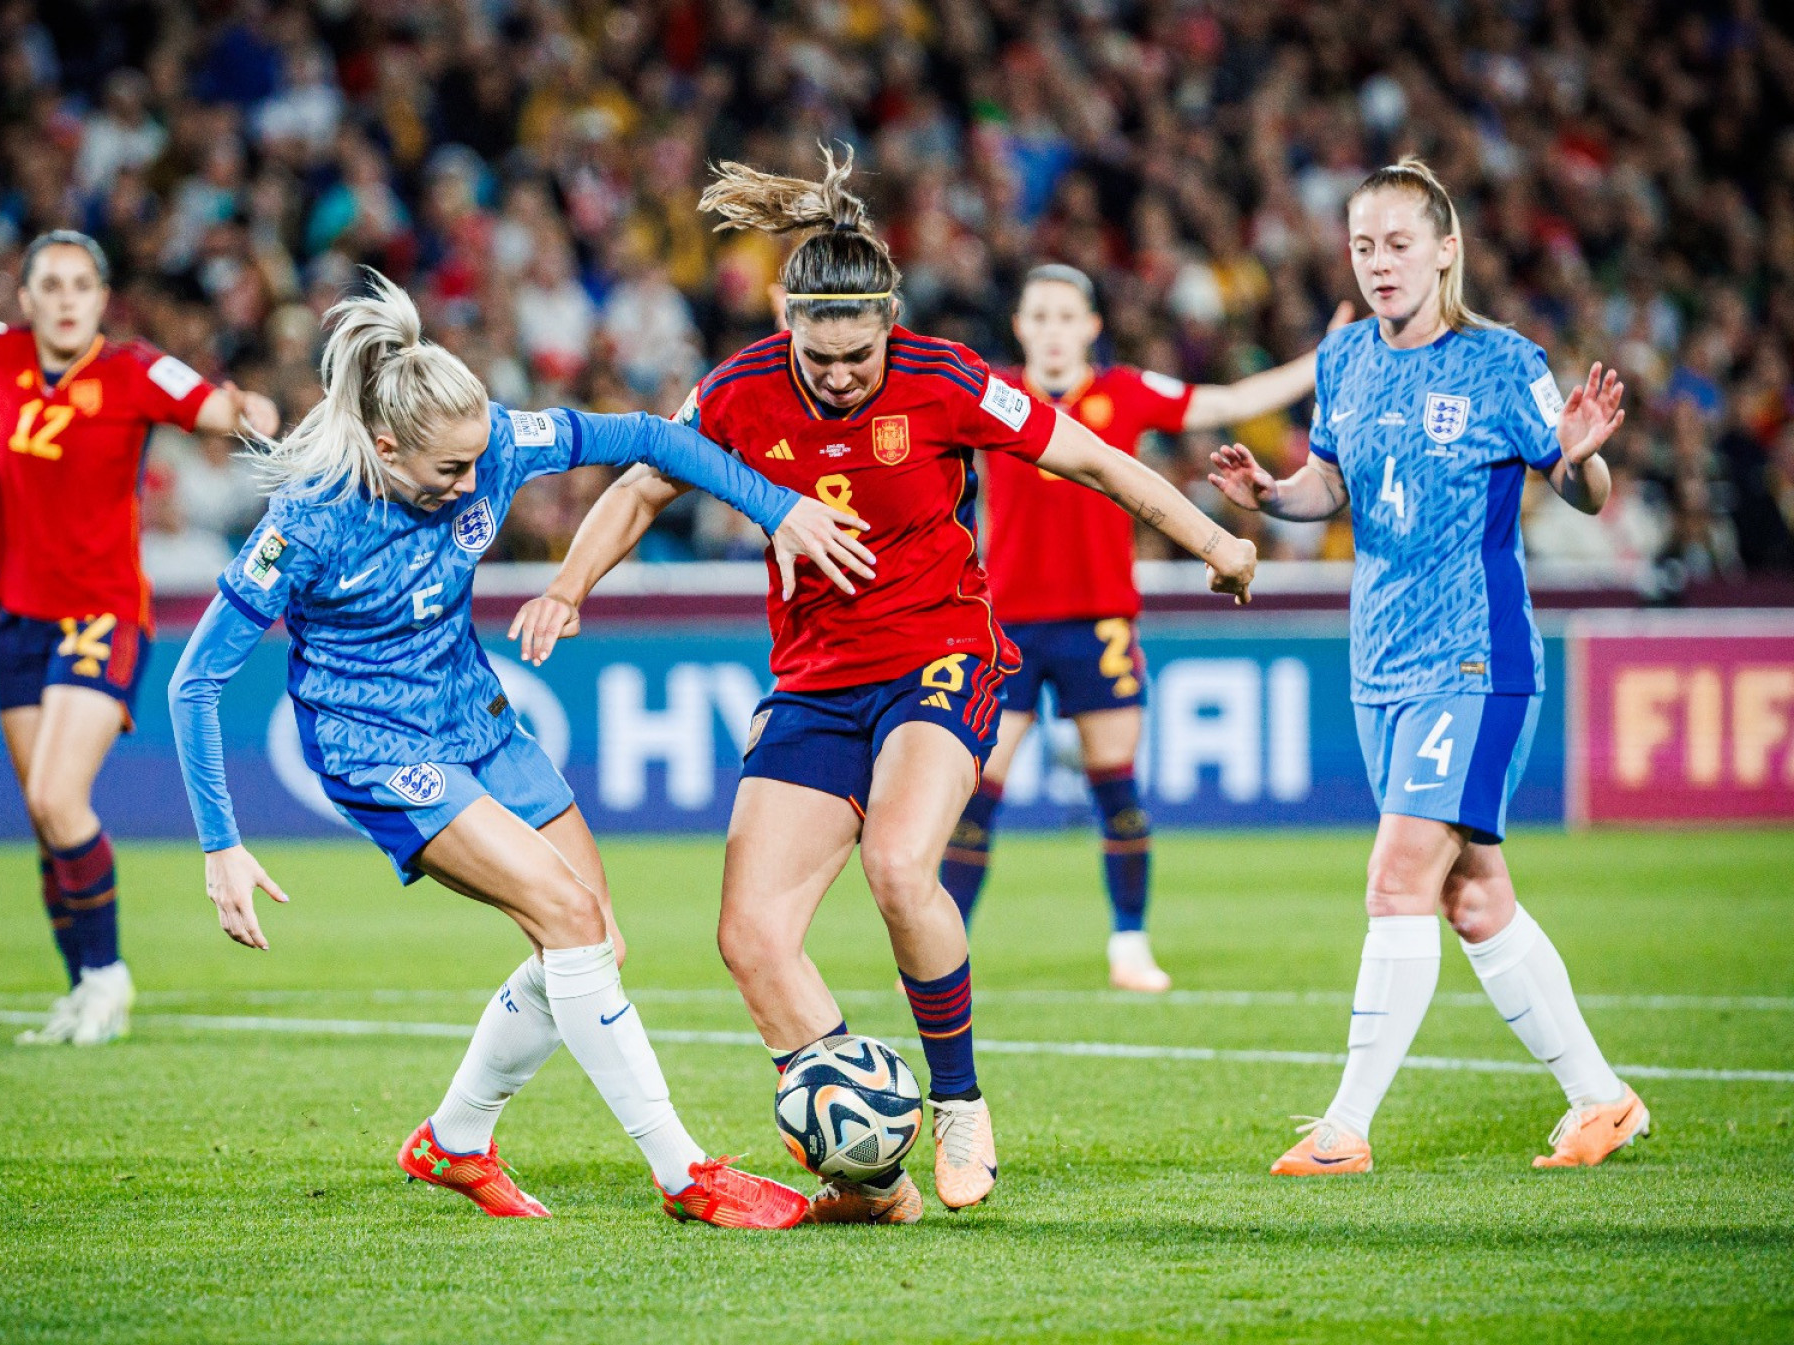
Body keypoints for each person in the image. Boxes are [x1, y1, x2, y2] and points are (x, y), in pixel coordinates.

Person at [511, 147, 1257, 1224]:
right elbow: (639, 486)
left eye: (858, 355)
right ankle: (870, 1174)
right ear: (789, 323)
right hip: (813, 680)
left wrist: (1213, 542)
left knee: (901, 861)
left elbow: (1092, 457)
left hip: (938, 653)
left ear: (889, 322)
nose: (841, 377)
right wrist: (571, 586)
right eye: (821, 356)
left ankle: (958, 1101)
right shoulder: (736, 389)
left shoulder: (945, 378)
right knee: (751, 935)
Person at [167, 270, 870, 1226]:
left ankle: (453, 1142)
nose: (472, 483)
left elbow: (659, 438)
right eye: (448, 472)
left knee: (594, 940)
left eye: (476, 461)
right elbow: (195, 678)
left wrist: (775, 505)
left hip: (478, 718)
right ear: (383, 446)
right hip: (374, 745)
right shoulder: (309, 520)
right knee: (571, 916)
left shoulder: (497, 440)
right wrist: (221, 843)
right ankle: (684, 1172)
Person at [1209, 159, 1646, 1173]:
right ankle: (1602, 1099)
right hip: (1381, 662)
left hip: (1473, 656)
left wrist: (1580, 456)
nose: (1379, 265)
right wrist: (1274, 494)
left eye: (1399, 244)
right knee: (1473, 895)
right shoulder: (1345, 361)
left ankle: (1345, 1128)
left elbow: (1582, 489)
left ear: (1446, 250)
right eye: (1363, 246)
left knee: (1399, 875)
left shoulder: (1503, 363)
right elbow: (1331, 482)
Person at [0, 209, 280, 1046]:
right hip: (19, 617)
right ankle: (79, 983)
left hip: (101, 612)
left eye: (81, 286)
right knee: (44, 813)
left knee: (61, 799)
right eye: (49, 286)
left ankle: (107, 977)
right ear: (24, 298)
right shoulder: (0, 355)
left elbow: (217, 407)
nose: (65, 301)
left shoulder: (131, 371)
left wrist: (255, 409)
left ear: (103, 299)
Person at [942, 263, 1351, 992]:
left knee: (1115, 787)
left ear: (1093, 326)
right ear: (1020, 327)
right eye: (1040, 316)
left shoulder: (1124, 392)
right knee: (976, 793)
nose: (1054, 331)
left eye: (1068, 317)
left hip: (1099, 620)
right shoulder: (993, 395)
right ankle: (946, 945)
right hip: (1004, 624)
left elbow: (1225, 399)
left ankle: (1129, 943)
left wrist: (1321, 361)